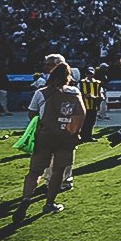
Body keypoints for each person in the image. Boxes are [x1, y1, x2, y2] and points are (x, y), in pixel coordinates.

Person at [15, 63, 84, 221]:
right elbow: (81, 113)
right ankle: (49, 203)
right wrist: (74, 131)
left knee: (34, 171)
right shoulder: (74, 93)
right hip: (66, 137)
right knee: (57, 171)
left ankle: (26, 199)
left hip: (45, 136)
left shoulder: (41, 93)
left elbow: (32, 113)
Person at [27, 55, 76, 192]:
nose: (46, 67)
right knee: (49, 159)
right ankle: (49, 182)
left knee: (64, 159)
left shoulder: (70, 85)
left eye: (49, 64)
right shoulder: (45, 82)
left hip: (65, 126)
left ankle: (65, 181)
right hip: (49, 128)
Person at [79, 66, 105, 142]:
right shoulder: (81, 82)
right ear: (86, 74)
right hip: (84, 105)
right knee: (84, 121)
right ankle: (82, 136)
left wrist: (101, 96)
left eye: (91, 74)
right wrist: (85, 95)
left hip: (94, 104)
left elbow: (101, 91)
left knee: (91, 121)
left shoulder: (97, 83)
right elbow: (78, 93)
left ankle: (88, 136)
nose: (90, 75)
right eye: (88, 74)